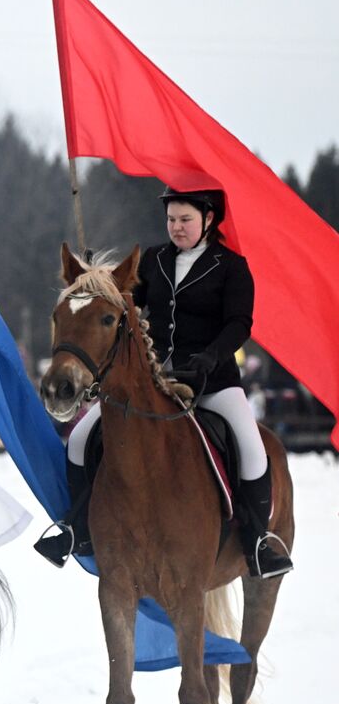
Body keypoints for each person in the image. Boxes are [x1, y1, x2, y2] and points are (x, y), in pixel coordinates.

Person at [34, 188, 293, 579]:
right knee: (82, 439)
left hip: (213, 382)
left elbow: (239, 323)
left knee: (253, 448)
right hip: (155, 382)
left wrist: (209, 357)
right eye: (171, 220)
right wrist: (92, 281)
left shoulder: (231, 266)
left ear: (208, 220)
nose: (176, 227)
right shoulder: (154, 260)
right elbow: (120, 302)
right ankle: (78, 528)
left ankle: (257, 541)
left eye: (185, 220)